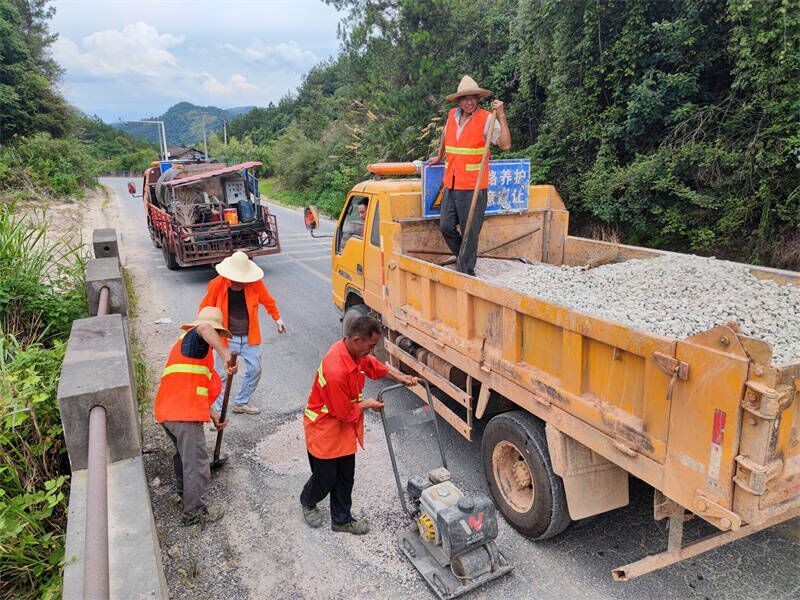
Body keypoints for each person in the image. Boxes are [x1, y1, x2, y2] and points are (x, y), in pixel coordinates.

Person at [300, 315, 417, 534]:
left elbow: (373, 366)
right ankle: (307, 500)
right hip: (324, 428)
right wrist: (368, 404)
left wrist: (400, 376)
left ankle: (341, 520)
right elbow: (343, 412)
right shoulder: (336, 370)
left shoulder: (354, 353)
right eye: (370, 346)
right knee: (325, 478)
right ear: (355, 340)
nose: (372, 351)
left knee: (345, 476)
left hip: (343, 428)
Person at [154, 306, 238, 526]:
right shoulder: (196, 337)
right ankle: (194, 513)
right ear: (217, 333)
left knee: (183, 456)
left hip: (169, 411)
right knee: (197, 463)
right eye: (219, 334)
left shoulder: (188, 348)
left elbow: (193, 385)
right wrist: (225, 354)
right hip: (182, 414)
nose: (218, 338)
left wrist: (212, 414)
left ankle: (184, 494)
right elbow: (204, 328)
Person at [429, 75, 511, 276]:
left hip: (474, 186)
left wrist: (501, 115)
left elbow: (506, 145)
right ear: (458, 100)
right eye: (465, 98)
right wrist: (439, 156)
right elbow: (445, 136)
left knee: (470, 232)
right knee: (446, 226)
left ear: (478, 98)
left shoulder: (487, 119)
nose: (470, 102)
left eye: (473, 97)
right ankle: (464, 257)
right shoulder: (451, 116)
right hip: (452, 182)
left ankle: (466, 271)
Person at [200, 251, 286, 416]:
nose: (239, 281)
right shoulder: (217, 284)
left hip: (249, 337)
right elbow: (206, 308)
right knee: (220, 375)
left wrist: (278, 319)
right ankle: (216, 412)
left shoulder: (255, 284)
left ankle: (241, 402)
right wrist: (204, 333)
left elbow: (268, 301)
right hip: (226, 338)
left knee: (255, 369)